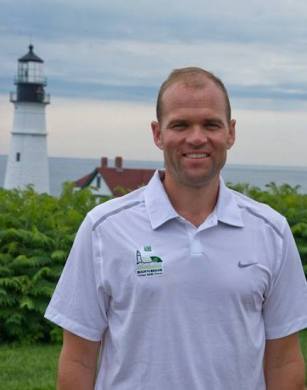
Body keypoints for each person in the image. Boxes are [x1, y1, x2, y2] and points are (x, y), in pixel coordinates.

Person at [45, 67, 307, 390]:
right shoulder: (103, 230)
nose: (196, 137)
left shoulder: (271, 232)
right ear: (157, 134)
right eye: (180, 125)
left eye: (211, 124)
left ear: (231, 132)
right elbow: (78, 360)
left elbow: (284, 361)